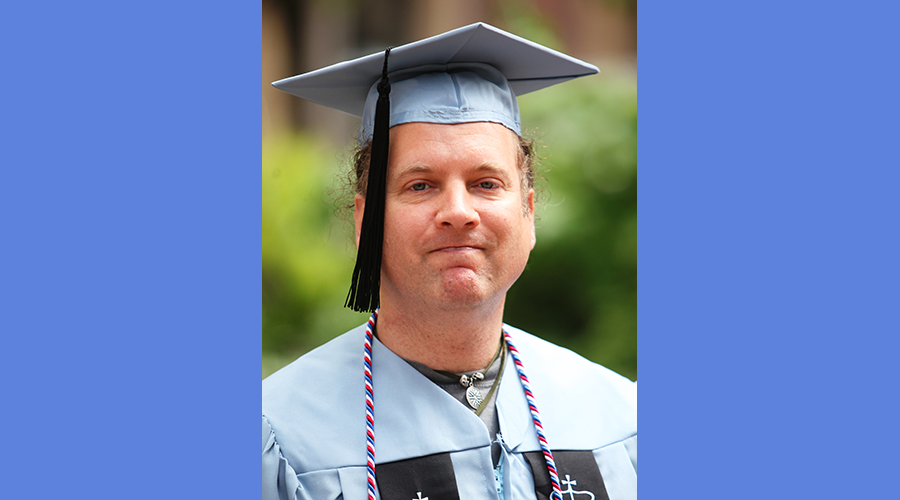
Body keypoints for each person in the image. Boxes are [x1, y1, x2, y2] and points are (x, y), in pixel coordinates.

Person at [262, 22, 636, 500]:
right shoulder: (283, 435)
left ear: (529, 214)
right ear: (365, 223)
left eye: (487, 184)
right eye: (420, 185)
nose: (459, 212)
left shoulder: (618, 415)